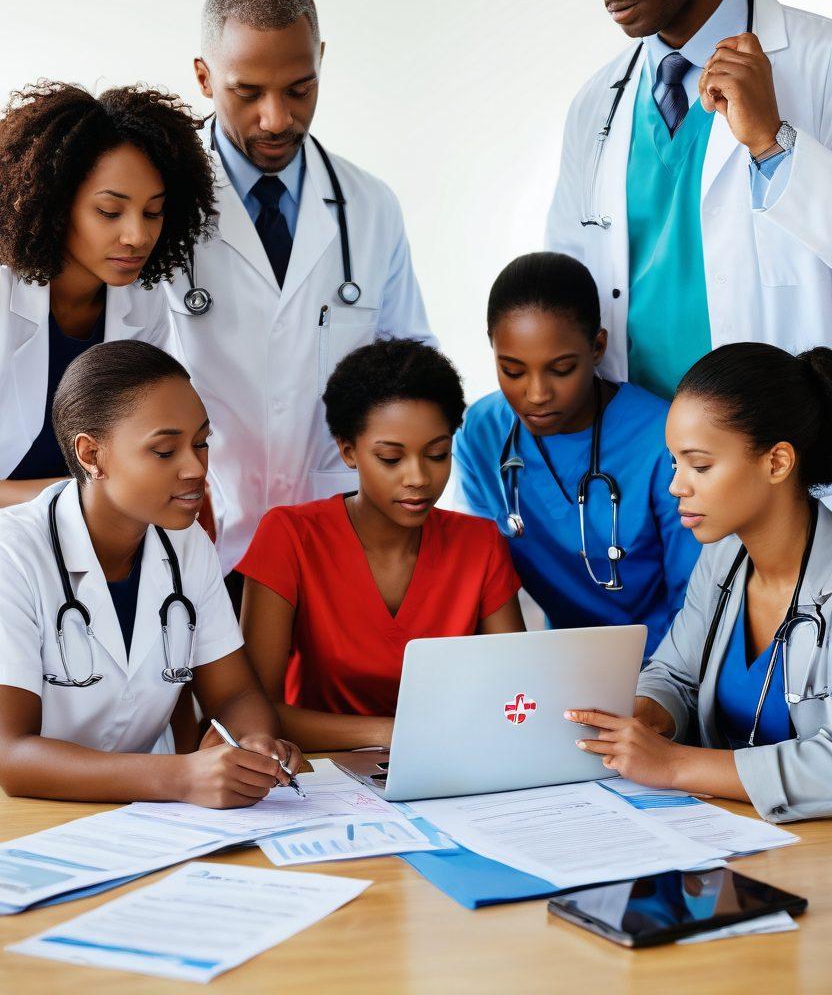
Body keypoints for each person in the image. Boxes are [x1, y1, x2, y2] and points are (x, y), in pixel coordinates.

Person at [546, 0, 832, 401]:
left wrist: (772, 146)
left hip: (776, 443)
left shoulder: (820, 62)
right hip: (639, 451)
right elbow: (566, 284)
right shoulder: (596, 103)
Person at [163, 0, 434, 576]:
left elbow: (407, 367)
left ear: (321, 61)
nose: (276, 118)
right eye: (248, 92)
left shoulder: (369, 205)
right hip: (194, 534)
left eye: (300, 88)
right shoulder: (157, 203)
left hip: (337, 535)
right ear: (204, 78)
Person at [0, 340, 302, 805]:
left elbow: (236, 694)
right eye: (165, 451)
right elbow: (11, 755)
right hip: (29, 818)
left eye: (201, 443)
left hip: (147, 819)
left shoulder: (186, 542)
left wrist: (253, 743)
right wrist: (181, 778)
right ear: (91, 455)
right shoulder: (13, 553)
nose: (195, 468)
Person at [567, 342, 832, 824]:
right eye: (674, 463)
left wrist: (674, 764)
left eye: (700, 465)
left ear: (776, 462)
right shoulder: (723, 558)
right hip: (728, 832)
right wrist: (645, 716)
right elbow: (675, 675)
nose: (676, 486)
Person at [239, 338, 524, 751]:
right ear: (348, 451)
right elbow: (254, 713)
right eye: (391, 458)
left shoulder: (479, 545)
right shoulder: (290, 536)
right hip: (323, 776)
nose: (418, 478)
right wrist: (392, 735)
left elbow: (517, 695)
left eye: (437, 454)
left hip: (453, 767)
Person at [453, 252, 698, 655]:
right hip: (557, 667)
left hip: (667, 667)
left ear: (597, 346)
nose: (536, 394)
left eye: (562, 368)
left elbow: (695, 602)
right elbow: (483, 580)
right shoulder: (481, 432)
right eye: (512, 370)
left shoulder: (664, 438)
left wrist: (662, 695)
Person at [0, 81, 215, 507]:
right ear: (54, 204)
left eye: (153, 212)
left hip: (85, 539)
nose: (138, 236)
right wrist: (86, 498)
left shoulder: (144, 302)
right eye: (109, 212)